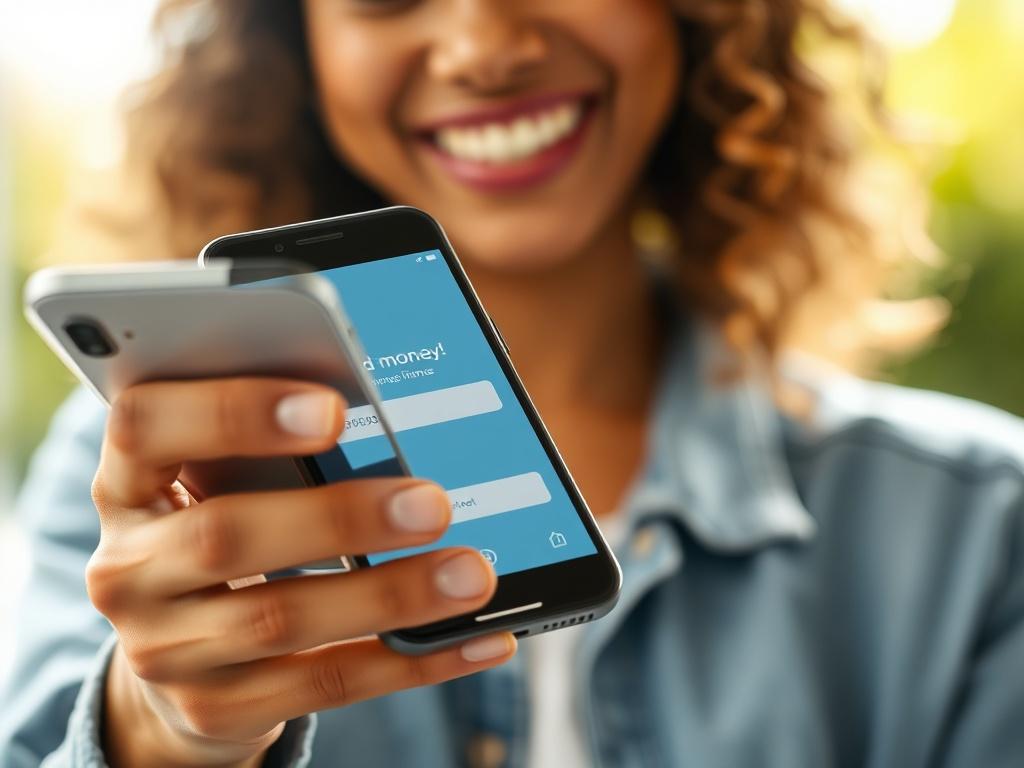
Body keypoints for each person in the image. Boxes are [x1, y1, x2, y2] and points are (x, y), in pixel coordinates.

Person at [3, 1, 1023, 766]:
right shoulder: (146, 498)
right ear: (293, 44)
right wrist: (157, 733)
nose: (485, 46)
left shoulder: (979, 534)